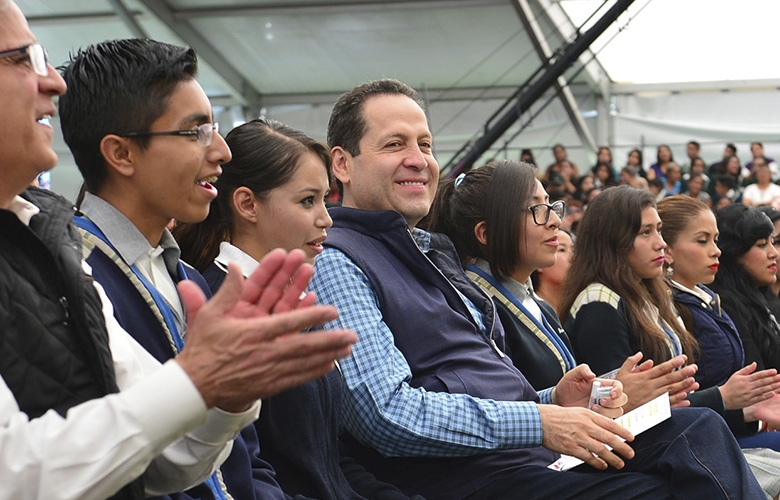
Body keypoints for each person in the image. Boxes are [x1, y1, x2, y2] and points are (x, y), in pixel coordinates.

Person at [309, 78, 764, 500]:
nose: (418, 158)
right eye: (394, 144)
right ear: (343, 164)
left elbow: (492, 389)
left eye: (425, 144)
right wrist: (542, 419)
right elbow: (383, 415)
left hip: (527, 456)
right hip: (472, 477)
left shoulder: (431, 254)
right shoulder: (337, 260)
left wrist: (555, 399)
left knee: (698, 429)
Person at [0, 2, 358, 498]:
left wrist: (227, 394)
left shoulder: (163, 274)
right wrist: (201, 380)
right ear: (121, 153)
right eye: (195, 132)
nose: (222, 152)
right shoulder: (83, 263)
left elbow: (184, 458)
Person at [173, 118, 418, 500]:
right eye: (307, 201)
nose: (326, 218)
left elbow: (327, 461)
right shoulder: (220, 307)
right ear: (247, 204)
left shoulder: (289, 299)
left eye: (325, 199)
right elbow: (245, 469)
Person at [428, 161, 697, 408]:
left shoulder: (538, 306)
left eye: (551, 206)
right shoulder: (473, 309)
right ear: (486, 233)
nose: (556, 221)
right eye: (537, 210)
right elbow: (499, 409)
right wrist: (618, 397)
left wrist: (610, 393)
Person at [657, 196, 780, 450]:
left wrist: (747, 411)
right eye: (703, 241)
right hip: (707, 440)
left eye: (715, 239)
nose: (716, 250)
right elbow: (672, 405)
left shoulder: (709, 299)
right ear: (667, 250)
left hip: (729, 428)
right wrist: (736, 406)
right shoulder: (668, 308)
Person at [710, 203, 780, 372]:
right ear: (736, 253)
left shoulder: (761, 297)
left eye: (773, 242)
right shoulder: (728, 306)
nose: (774, 253)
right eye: (762, 245)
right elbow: (760, 381)